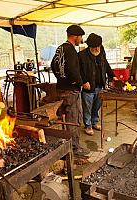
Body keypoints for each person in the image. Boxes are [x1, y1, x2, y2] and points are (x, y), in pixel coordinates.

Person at [51, 25, 89, 156]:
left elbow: (53, 65)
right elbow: (73, 69)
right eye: (80, 37)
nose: (81, 39)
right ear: (75, 36)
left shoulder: (59, 48)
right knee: (73, 119)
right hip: (71, 91)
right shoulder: (71, 50)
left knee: (63, 119)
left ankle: (64, 145)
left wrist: (61, 79)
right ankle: (75, 148)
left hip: (60, 88)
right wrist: (82, 83)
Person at [79, 33, 118, 135]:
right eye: (94, 47)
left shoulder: (101, 52)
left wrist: (112, 75)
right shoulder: (82, 55)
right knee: (87, 107)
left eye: (98, 47)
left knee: (97, 106)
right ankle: (88, 126)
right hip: (88, 86)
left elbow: (106, 64)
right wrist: (83, 82)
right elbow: (79, 71)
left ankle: (94, 122)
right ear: (89, 46)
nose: (97, 49)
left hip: (100, 85)